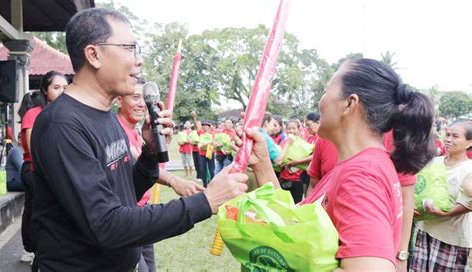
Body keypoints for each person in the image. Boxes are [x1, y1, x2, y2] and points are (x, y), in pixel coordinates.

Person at [30, 8, 248, 271]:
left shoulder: (106, 115)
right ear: (94, 54)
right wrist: (204, 202)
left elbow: (123, 194)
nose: (138, 60)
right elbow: (106, 225)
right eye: (129, 48)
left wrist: (149, 153)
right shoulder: (62, 125)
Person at [251, 58, 435, 271]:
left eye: (326, 90)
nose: (320, 102)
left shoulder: (361, 176)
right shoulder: (360, 164)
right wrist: (263, 164)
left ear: (349, 103)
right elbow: (296, 224)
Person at [115, 81, 203, 272]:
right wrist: (174, 181)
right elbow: (138, 159)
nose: (141, 104)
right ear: (119, 100)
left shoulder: (138, 132)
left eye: (143, 98)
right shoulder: (116, 130)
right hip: (128, 218)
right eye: (135, 97)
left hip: (142, 212)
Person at [20, 70, 68, 268]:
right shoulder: (33, 114)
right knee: (38, 209)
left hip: (58, 171)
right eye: (56, 88)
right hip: (34, 169)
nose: (62, 92)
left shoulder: (67, 114)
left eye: (66, 87)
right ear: (45, 91)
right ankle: (34, 250)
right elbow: (34, 150)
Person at [410, 120, 472, 271]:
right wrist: (411, 206)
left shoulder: (468, 169)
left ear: (469, 142)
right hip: (425, 230)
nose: (449, 139)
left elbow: (468, 203)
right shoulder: (434, 162)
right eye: (448, 134)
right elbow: (418, 187)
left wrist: (448, 213)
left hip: (451, 238)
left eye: (455, 136)